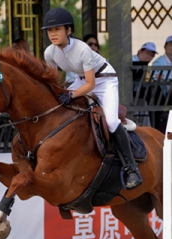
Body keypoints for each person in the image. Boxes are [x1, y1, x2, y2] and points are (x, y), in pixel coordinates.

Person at [42, 7, 142, 190]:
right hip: (81, 80)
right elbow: (54, 80)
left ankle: (131, 168)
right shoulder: (50, 52)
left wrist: (71, 94)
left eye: (57, 29)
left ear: (69, 30)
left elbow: (91, 85)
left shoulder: (83, 49)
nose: (53, 34)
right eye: (50, 30)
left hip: (104, 81)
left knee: (111, 122)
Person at [132, 42, 158, 127]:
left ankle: (146, 130)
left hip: (137, 96)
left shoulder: (145, 67)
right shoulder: (132, 61)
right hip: (126, 96)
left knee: (144, 103)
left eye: (152, 55)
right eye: (147, 53)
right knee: (135, 106)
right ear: (140, 51)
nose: (149, 57)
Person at [151, 35, 172, 133]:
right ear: (165, 47)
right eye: (170, 45)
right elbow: (156, 78)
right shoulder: (158, 62)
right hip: (161, 97)